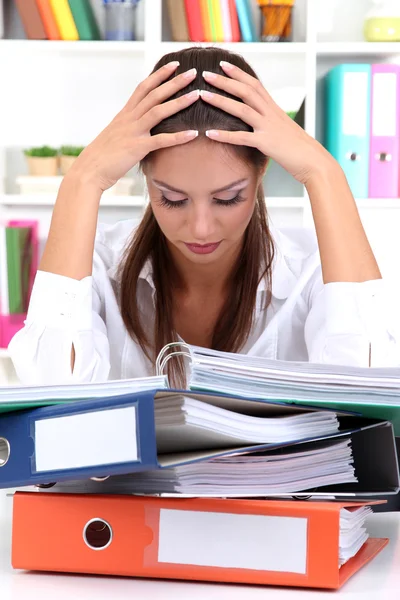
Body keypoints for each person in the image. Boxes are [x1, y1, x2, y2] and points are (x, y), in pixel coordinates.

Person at [8, 47, 400, 387]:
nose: (200, 228)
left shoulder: (315, 271)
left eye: (228, 198)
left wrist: (325, 174)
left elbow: (366, 394)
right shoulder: (98, 267)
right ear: (144, 176)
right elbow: (53, 395)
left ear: (261, 171)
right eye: (172, 199)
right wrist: (81, 179)